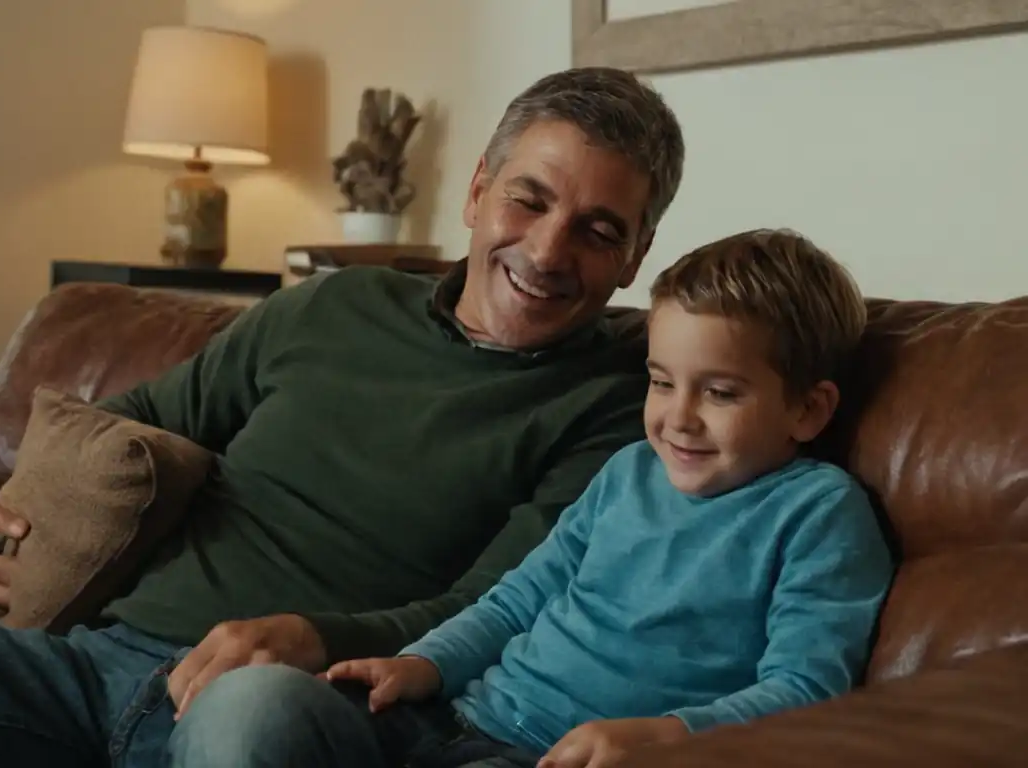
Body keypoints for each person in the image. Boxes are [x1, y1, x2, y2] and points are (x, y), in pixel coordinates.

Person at [0, 67, 686, 767]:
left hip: (287, 699)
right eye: (529, 198)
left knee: (252, 720)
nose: (549, 249)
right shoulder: (333, 308)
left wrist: (314, 637)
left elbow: (497, 607)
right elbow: (122, 428)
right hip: (81, 664)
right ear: (480, 191)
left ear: (636, 255)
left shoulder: (620, 398)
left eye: (599, 231)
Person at [313, 229, 897, 768]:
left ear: (808, 409)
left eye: (719, 393)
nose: (678, 418)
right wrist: (425, 663)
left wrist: (660, 734)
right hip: (454, 714)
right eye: (662, 382)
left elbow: (806, 689)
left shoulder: (818, 514)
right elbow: (520, 599)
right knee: (265, 702)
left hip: (548, 757)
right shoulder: (629, 472)